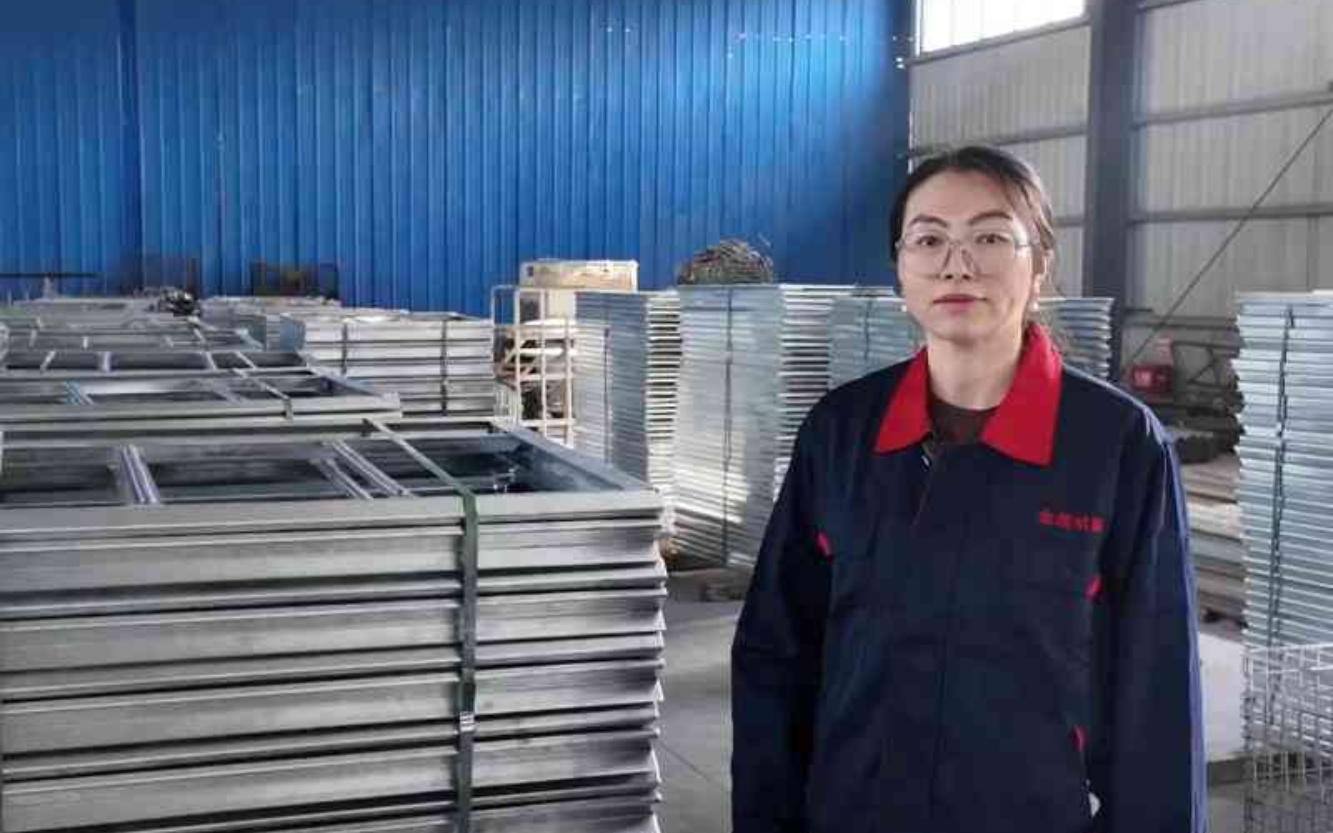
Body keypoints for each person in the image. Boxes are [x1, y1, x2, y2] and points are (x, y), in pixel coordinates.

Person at [731, 145, 1206, 833]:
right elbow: (776, 654)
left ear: (1039, 264)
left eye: (989, 237)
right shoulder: (841, 433)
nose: (957, 265)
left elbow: (1158, 694)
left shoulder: (1117, 446)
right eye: (929, 240)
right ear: (900, 267)